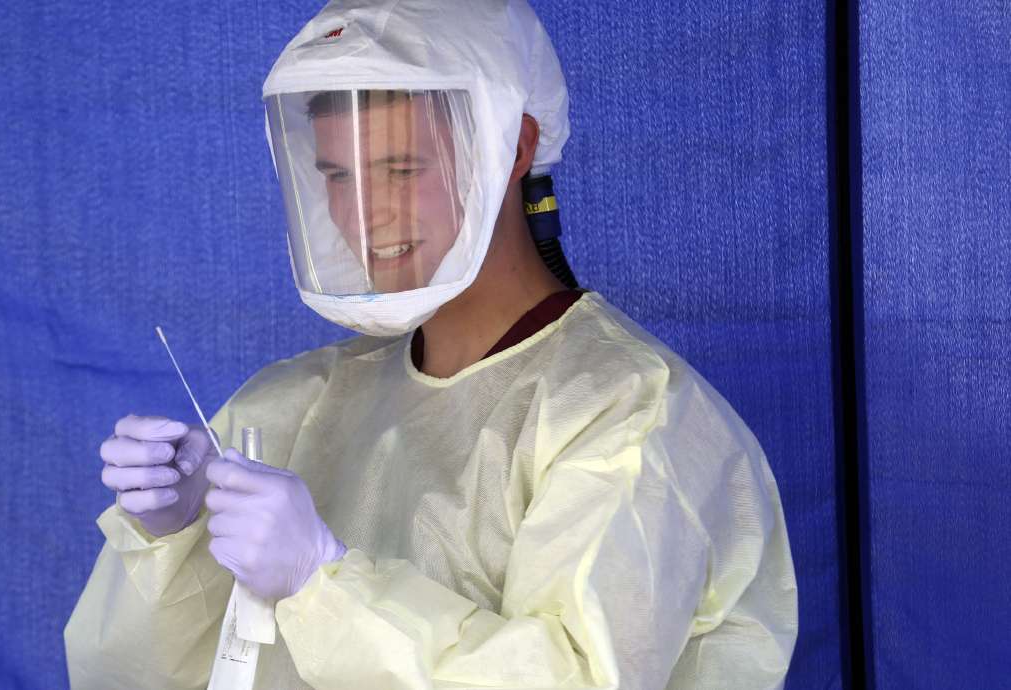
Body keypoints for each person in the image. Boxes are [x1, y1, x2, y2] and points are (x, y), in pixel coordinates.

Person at [64, 1, 798, 688]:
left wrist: (323, 585)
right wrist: (173, 539)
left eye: (402, 169)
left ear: (514, 146)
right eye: (336, 176)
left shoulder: (627, 419)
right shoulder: (293, 407)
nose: (363, 214)